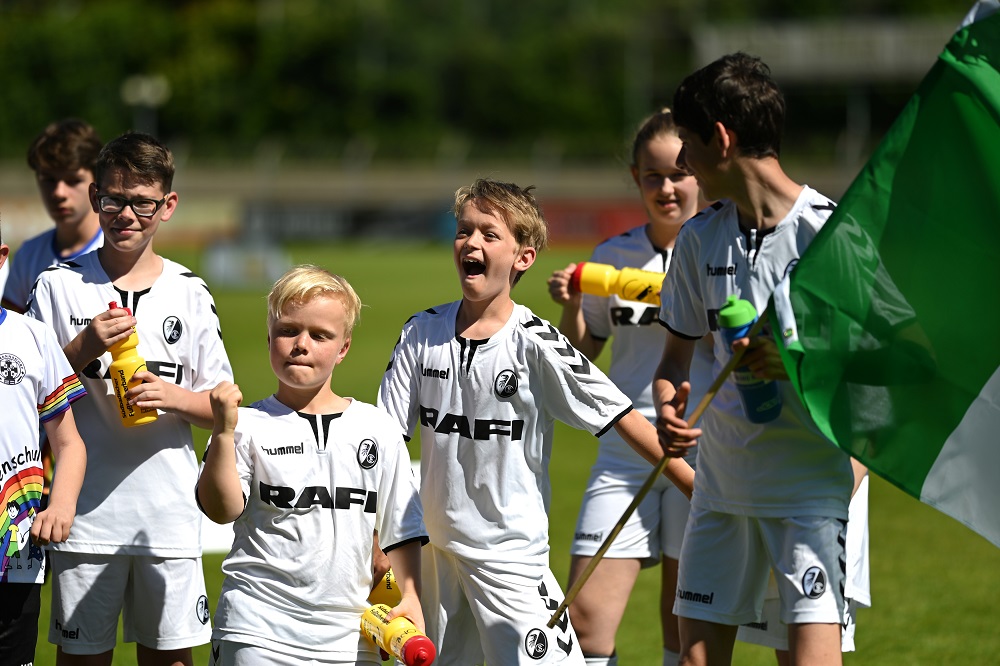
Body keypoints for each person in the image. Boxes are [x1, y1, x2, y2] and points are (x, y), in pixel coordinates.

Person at [378, 178, 695, 666]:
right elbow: (384, 444)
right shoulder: (421, 333)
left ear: (523, 257)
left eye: (489, 234)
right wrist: (378, 539)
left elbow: (620, 415)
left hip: (510, 563)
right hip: (435, 560)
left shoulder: (537, 342)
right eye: (464, 231)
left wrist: (696, 486)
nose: (472, 243)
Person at [652, 52, 855, 666]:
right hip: (720, 490)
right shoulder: (698, 237)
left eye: (687, 143)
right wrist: (669, 409)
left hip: (809, 495)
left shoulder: (833, 237)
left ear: (720, 138)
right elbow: (673, 365)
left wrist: (791, 363)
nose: (682, 165)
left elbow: (881, 377)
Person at [26, 131, 234, 666]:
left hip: (167, 518)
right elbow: (23, 392)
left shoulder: (190, 291)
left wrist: (171, 396)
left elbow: (224, 408)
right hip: (83, 520)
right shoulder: (57, 286)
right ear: (97, 197)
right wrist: (85, 345)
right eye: (114, 199)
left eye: (142, 202)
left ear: (167, 205)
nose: (126, 214)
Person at [546, 109, 714, 666]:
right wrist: (573, 304)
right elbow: (584, 350)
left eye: (679, 172)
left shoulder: (724, 250)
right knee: (585, 623)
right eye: (652, 176)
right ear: (636, 178)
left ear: (700, 173)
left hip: (700, 450)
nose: (667, 187)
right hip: (624, 448)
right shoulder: (613, 255)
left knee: (684, 630)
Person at [196, 265, 428, 665]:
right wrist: (221, 433)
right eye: (288, 330)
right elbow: (221, 510)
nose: (301, 344)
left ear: (343, 348)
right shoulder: (246, 424)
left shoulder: (377, 428)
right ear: (269, 338)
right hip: (256, 629)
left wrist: (410, 596)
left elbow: (402, 530)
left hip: (350, 636)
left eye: (320, 335)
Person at [0, 227, 88, 666]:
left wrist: (62, 505)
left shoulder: (32, 337)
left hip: (16, 553)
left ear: (1, 258)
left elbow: (69, 442)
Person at [736, 461, 870, 664]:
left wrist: (827, 505)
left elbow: (865, 440)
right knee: (787, 651)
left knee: (815, 651)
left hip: (825, 517)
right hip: (769, 499)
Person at [2, 118, 104, 313]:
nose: (59, 192)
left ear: (96, 183)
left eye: (73, 180)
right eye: (49, 179)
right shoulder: (28, 255)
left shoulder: (117, 253)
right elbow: (11, 336)